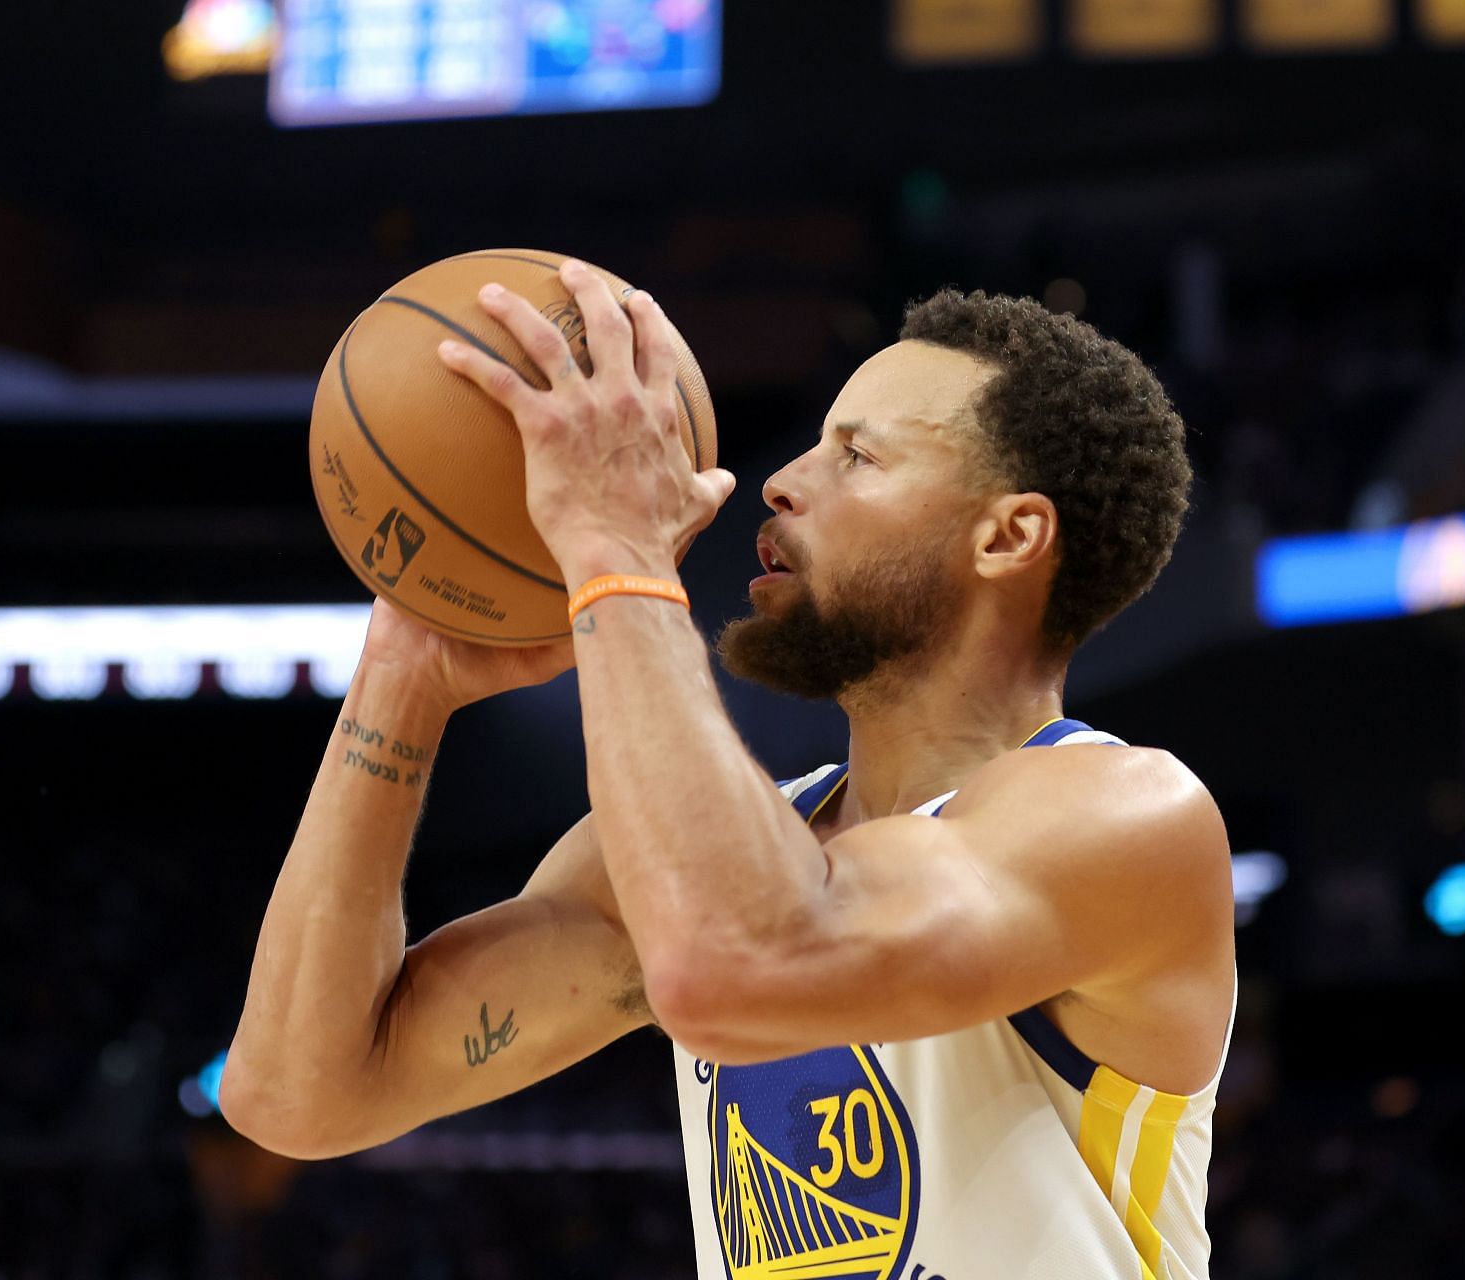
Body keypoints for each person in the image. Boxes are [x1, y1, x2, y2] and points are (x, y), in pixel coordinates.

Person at [221, 261, 1234, 1279]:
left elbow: (738, 963)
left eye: (857, 456)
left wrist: (618, 552)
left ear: (1008, 535)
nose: (782, 479)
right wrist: (405, 674)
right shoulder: (694, 858)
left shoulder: (1126, 816)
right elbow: (297, 1094)